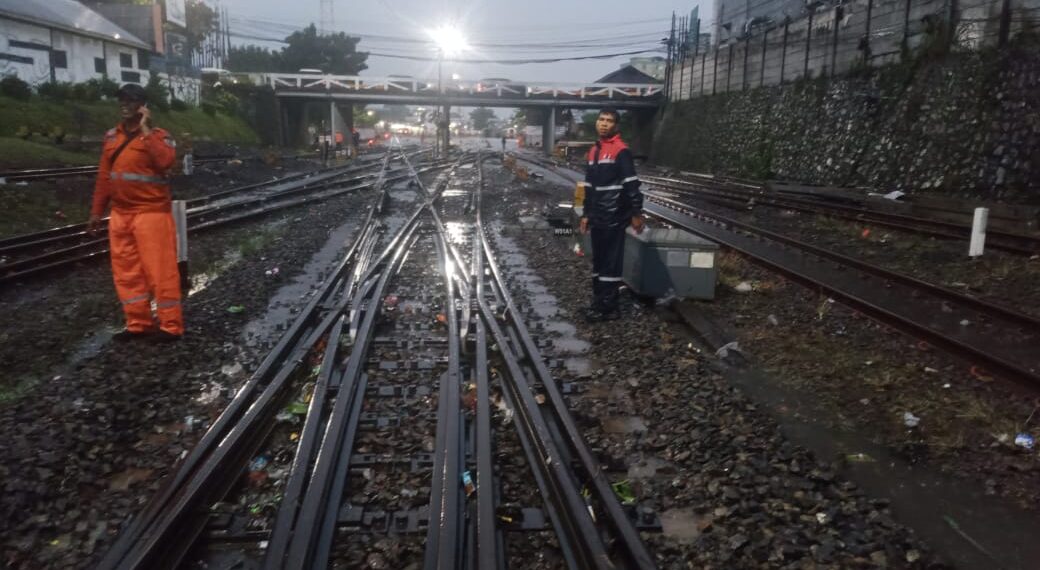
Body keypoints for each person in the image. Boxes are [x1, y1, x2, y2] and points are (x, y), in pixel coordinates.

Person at [88, 83, 182, 342]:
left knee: (160, 271)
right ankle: (138, 323)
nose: (125, 104)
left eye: (131, 100)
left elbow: (165, 162)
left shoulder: (159, 136)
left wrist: (145, 129)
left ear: (143, 105)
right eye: (122, 100)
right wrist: (97, 211)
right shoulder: (111, 137)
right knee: (126, 271)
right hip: (121, 214)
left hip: (151, 213)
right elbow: (104, 177)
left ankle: (170, 325)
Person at [578, 107, 644, 322]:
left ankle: (609, 308)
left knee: (609, 264)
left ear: (616, 126)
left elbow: (631, 184)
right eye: (601, 119)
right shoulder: (594, 150)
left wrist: (636, 212)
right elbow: (589, 186)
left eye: (609, 121)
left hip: (614, 215)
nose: (604, 123)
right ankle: (598, 302)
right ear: (597, 123)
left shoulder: (620, 150)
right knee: (598, 262)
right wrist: (586, 214)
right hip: (597, 215)